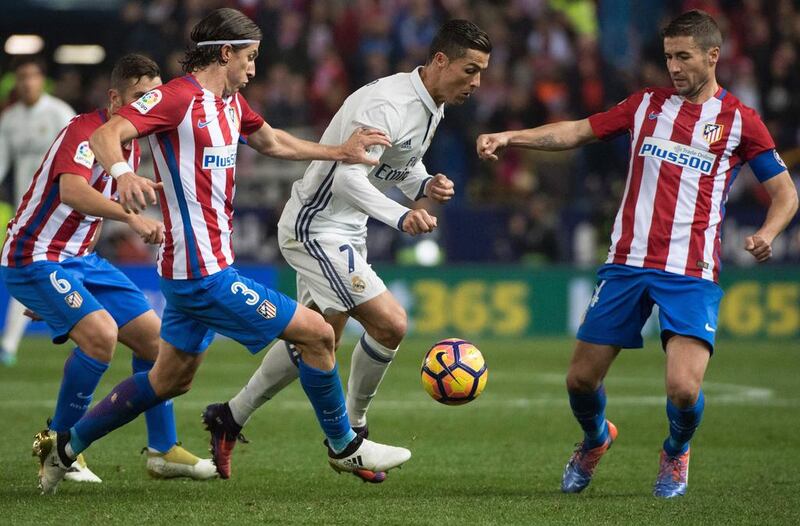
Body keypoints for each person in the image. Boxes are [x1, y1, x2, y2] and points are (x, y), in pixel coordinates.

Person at [32, 8, 410, 495]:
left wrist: (339, 152)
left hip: (193, 270)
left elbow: (271, 141)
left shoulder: (232, 103)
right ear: (224, 52)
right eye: (249, 57)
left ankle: (64, 448)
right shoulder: (174, 98)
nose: (254, 68)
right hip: (202, 274)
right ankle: (344, 444)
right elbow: (108, 135)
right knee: (317, 335)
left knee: (169, 380)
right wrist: (123, 174)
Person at [477, 9, 797, 499]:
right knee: (580, 381)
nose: (674, 66)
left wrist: (770, 232)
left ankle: (675, 451)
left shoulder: (740, 121)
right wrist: (511, 137)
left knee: (683, 389)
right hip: (626, 264)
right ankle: (595, 438)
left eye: (684, 57)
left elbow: (785, 194)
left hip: (691, 272)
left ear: (713, 56)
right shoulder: (645, 105)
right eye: (669, 56)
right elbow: (578, 131)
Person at [202, 19, 492, 483]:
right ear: (440, 61)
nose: (476, 83)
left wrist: (424, 181)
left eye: (481, 73)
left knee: (318, 338)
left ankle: (229, 417)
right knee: (391, 323)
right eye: (470, 70)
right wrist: (401, 215)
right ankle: (353, 435)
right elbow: (348, 176)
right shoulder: (388, 104)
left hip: (343, 230)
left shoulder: (430, 103)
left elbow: (398, 160)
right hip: (317, 228)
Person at [1, 54, 216, 487]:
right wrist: (131, 217)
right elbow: (72, 190)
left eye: (152, 98)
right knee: (101, 337)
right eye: (138, 97)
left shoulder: (133, 139)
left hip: (79, 261)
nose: (146, 106)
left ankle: (163, 450)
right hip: (35, 255)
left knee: (158, 345)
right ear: (115, 97)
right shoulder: (86, 130)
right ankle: (58, 446)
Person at [0, 56, 75, 366]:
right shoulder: (10, 119)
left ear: (41, 80)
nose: (27, 83)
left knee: (63, 271)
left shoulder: (60, 113)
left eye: (32, 76)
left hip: (63, 210)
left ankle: (83, 327)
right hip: (26, 211)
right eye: (22, 77)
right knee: (28, 270)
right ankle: (9, 344)